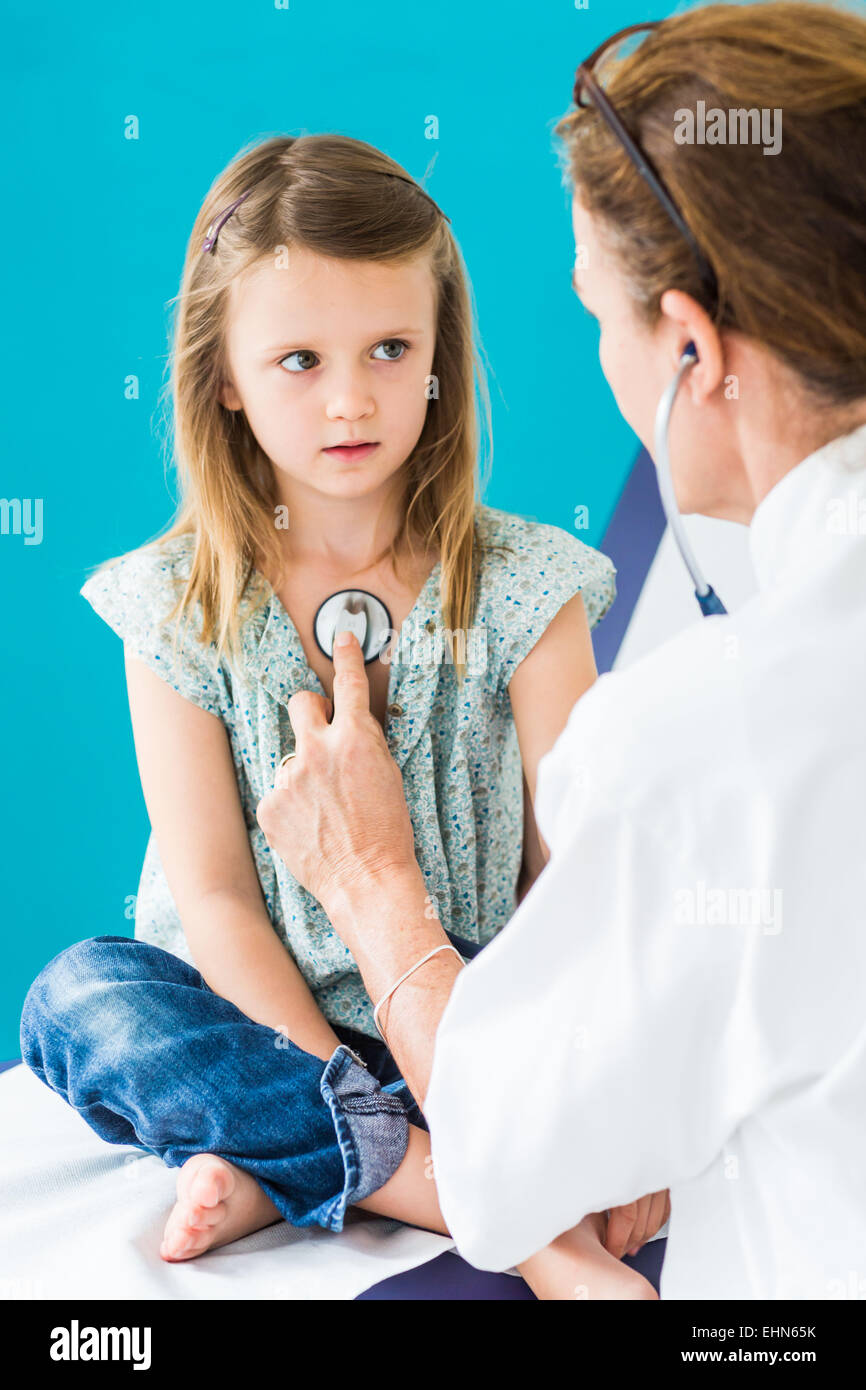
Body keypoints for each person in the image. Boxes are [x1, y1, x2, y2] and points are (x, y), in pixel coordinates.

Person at [252, 2, 866, 1299]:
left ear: (691, 348)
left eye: (602, 315)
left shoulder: (706, 735)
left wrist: (371, 882)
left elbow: (504, 1154)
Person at [20, 132, 668, 1299]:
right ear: (223, 372)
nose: (351, 399)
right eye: (298, 360)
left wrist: (538, 1073)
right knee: (79, 998)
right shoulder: (174, 607)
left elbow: (559, 886)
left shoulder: (530, 589)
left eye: (388, 349)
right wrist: (331, 1078)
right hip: (253, 1025)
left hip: (453, 1017)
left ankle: (290, 1167)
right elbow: (214, 899)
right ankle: (476, 1205)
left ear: (438, 356)